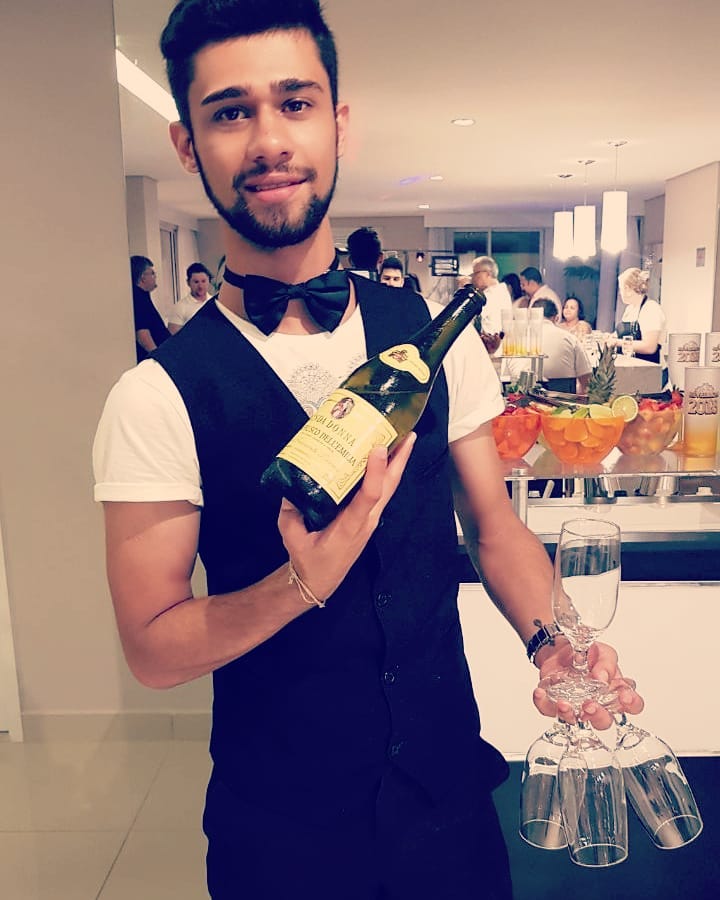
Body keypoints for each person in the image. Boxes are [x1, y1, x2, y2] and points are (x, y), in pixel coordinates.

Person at [93, 3, 642, 898]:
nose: (269, 139)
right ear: (188, 144)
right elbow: (152, 648)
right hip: (279, 837)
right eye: (230, 112)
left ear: (338, 124)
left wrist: (554, 641)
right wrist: (299, 583)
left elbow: (494, 528)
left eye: (295, 102)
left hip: (449, 808)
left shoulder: (435, 335)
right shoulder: (154, 396)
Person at [535, 299, 592, 393]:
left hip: (521, 399)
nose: (568, 310)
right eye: (566, 307)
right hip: (563, 398)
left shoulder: (517, 340)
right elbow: (586, 380)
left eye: (572, 308)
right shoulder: (570, 338)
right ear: (555, 318)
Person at [612, 267, 666, 363]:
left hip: (648, 367)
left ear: (628, 289)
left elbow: (650, 347)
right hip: (630, 365)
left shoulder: (650, 309)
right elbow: (623, 334)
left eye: (621, 289)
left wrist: (617, 342)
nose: (620, 294)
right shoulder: (629, 309)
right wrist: (610, 337)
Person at [130, 255, 171, 363]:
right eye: (152, 273)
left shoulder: (143, 296)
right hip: (152, 360)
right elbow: (142, 334)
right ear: (143, 277)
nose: (155, 277)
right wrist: (158, 357)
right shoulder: (138, 298)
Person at [470, 256, 512, 338]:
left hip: (491, 342)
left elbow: (469, 315)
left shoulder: (491, 294)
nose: (473, 278)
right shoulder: (500, 290)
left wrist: (465, 289)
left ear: (487, 274)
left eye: (476, 273)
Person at [168, 262, 215, 334]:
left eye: (203, 281)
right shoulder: (179, 307)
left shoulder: (216, 304)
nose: (200, 286)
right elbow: (173, 337)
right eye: (196, 282)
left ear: (209, 281)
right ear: (188, 283)